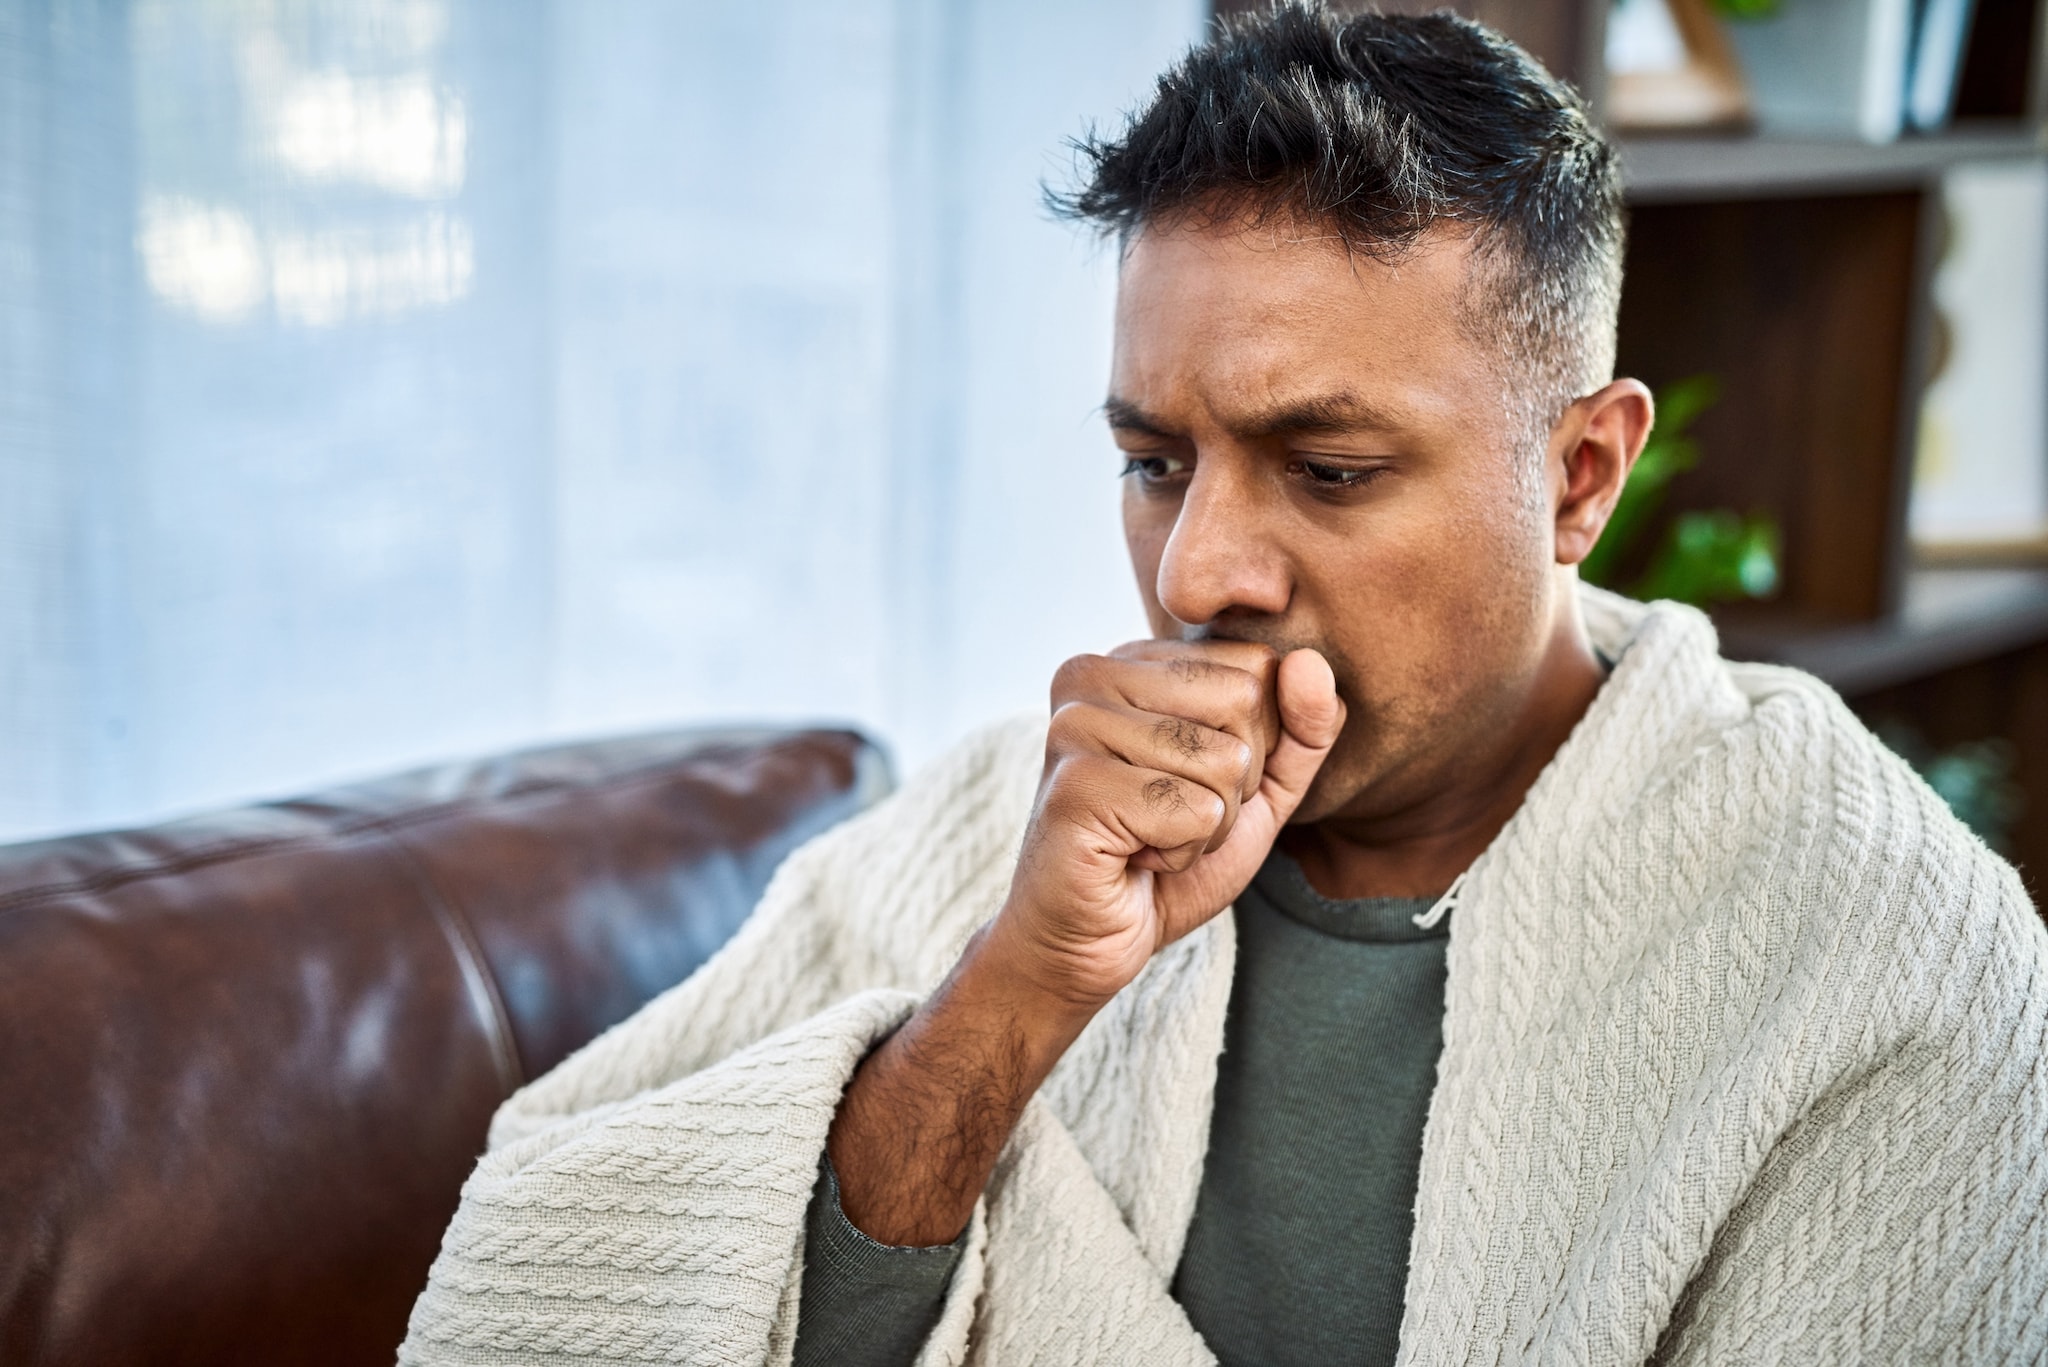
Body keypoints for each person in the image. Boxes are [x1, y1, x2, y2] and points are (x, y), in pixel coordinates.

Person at [399, 6, 2048, 1365]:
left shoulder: (1886, 962)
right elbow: (580, 1281)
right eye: (1151, 460)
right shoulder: (1012, 817)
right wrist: (1010, 1003)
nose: (1196, 575)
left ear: (1581, 476)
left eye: (1327, 470)